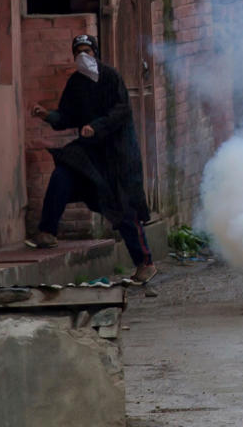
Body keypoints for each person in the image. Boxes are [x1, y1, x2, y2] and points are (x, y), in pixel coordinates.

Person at [28, 35, 156, 283]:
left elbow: (121, 110)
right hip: (91, 154)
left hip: (118, 155)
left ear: (96, 52)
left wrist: (96, 126)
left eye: (87, 51)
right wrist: (47, 116)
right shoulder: (76, 83)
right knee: (63, 172)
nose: (83, 57)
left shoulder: (111, 77)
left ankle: (145, 263)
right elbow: (67, 116)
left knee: (124, 208)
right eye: (78, 53)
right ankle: (47, 231)